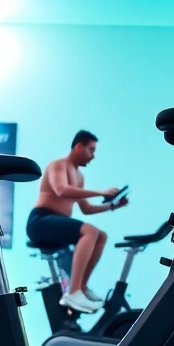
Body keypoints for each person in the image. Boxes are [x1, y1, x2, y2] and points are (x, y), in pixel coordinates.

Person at [27, 130, 127, 313]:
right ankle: (73, 293)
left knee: (101, 235)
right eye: (91, 150)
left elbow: (86, 209)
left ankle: (81, 288)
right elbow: (61, 190)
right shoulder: (58, 165)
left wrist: (113, 206)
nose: (93, 156)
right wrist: (101, 192)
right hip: (40, 221)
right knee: (90, 231)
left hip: (57, 223)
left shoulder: (80, 176)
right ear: (79, 146)